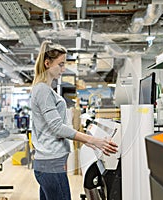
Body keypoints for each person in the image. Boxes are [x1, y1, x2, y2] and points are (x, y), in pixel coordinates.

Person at [30, 40, 118, 200]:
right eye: (61, 64)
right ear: (47, 63)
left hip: (49, 164)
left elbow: (55, 128)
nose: (63, 69)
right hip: (50, 164)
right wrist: (93, 140)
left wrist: (88, 142)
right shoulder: (42, 90)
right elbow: (57, 127)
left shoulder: (45, 89)